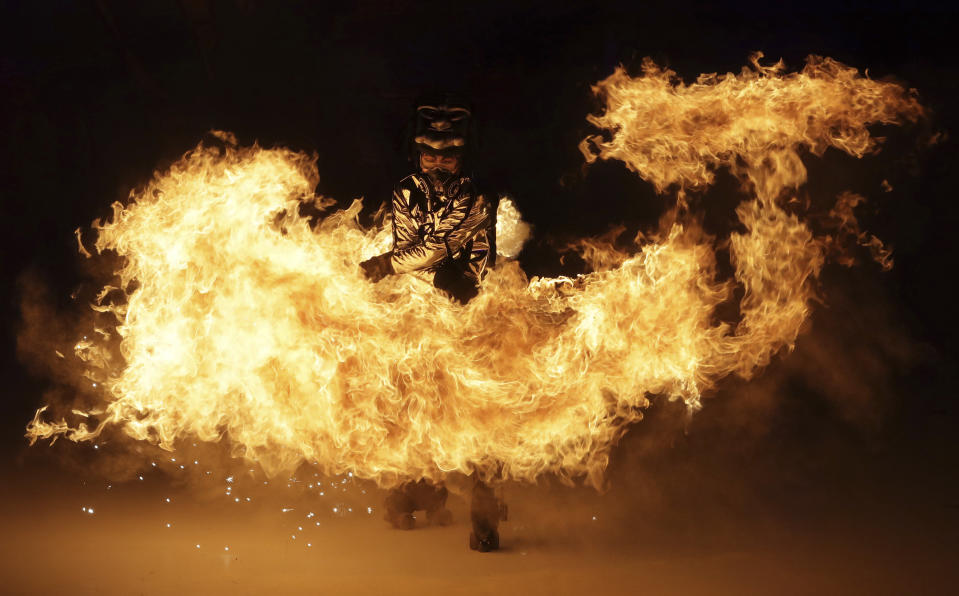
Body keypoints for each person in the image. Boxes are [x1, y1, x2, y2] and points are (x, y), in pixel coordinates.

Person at [360, 94, 505, 552]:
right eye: (430, 152)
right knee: (414, 398)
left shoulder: (477, 195)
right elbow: (413, 248)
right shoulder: (405, 190)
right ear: (417, 153)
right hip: (421, 307)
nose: (438, 162)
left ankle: (484, 511)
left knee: (478, 408)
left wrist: (389, 264)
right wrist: (413, 272)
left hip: (472, 307)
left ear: (462, 156)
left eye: (449, 153)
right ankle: (412, 492)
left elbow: (444, 245)